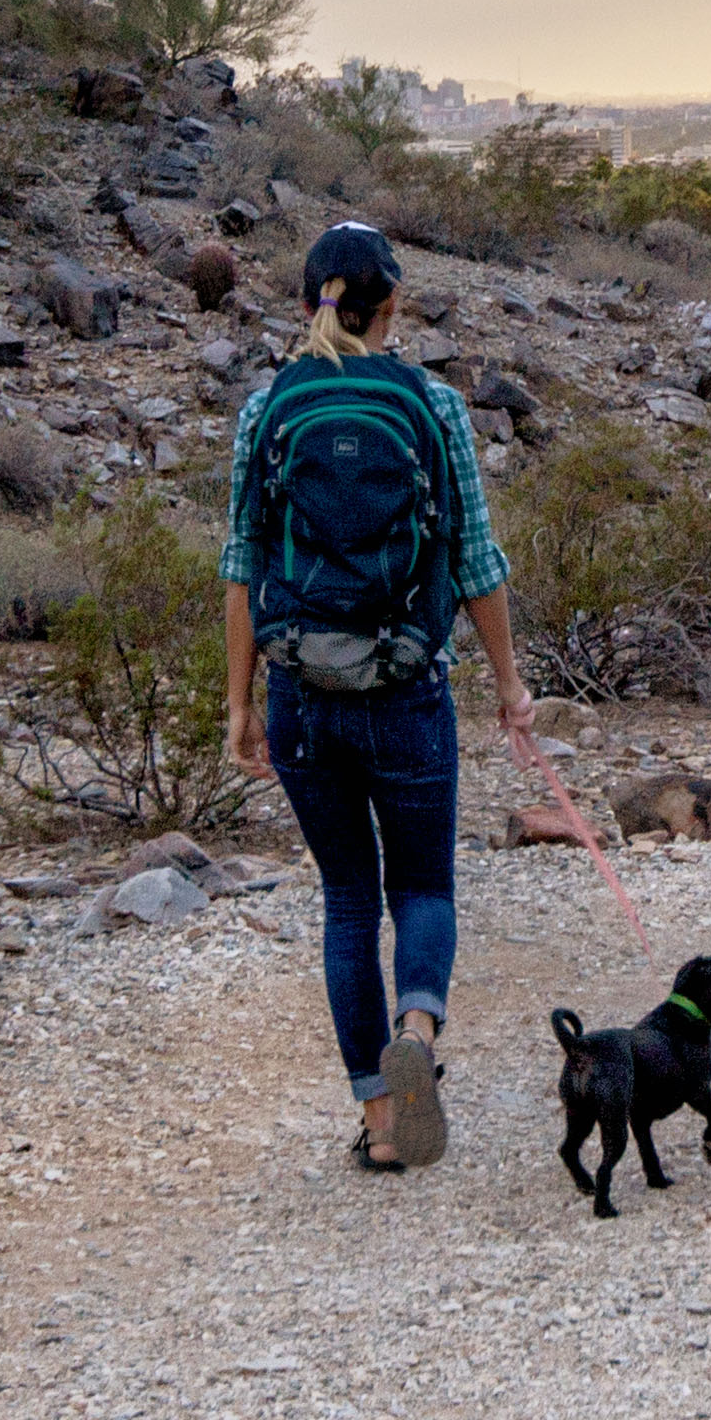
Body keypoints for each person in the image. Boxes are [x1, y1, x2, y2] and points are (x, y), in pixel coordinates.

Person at [221, 219, 538, 1172]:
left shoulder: (265, 406)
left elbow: (240, 565)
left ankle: (382, 1122)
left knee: (350, 901)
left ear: (307, 302)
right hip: (406, 687)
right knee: (424, 885)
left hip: (302, 694)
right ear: (392, 306)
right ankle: (420, 1031)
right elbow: (474, 562)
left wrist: (239, 704)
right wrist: (511, 687)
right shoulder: (434, 406)